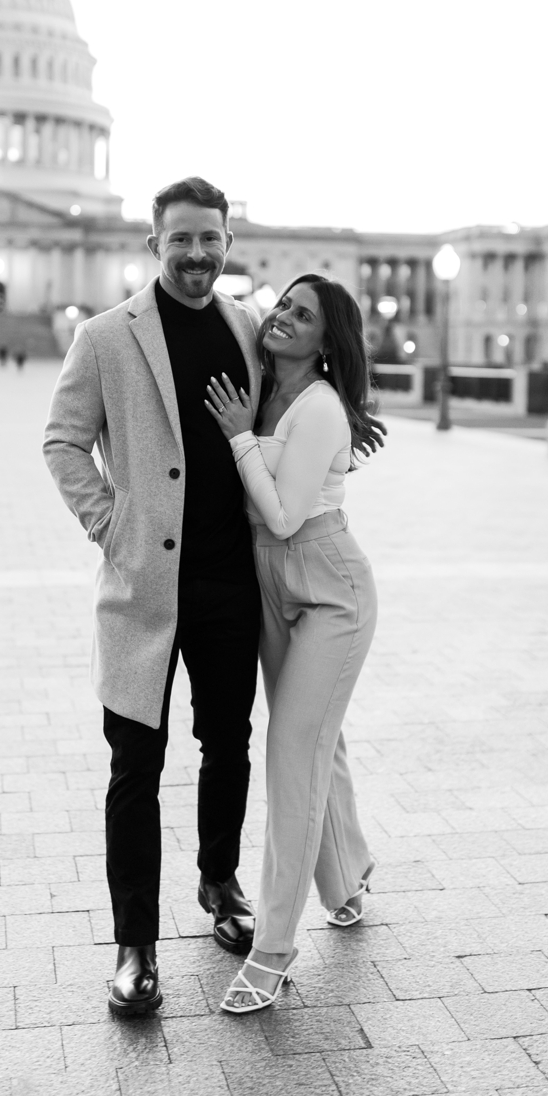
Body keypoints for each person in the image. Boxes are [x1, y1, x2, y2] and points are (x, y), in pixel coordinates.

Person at [42, 176, 265, 1017]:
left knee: (228, 744)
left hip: (228, 581)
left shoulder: (247, 329)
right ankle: (135, 944)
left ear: (226, 242)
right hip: (144, 586)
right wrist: (113, 527)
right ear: (155, 245)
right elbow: (62, 441)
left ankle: (219, 883)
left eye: (211, 239)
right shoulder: (106, 338)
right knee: (135, 767)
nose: (199, 255)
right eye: (183, 240)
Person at [202, 274, 384, 1013]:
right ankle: (345, 881)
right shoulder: (261, 383)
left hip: (329, 588)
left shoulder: (318, 409)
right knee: (320, 743)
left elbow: (281, 517)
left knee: (292, 756)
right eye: (283, 305)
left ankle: (273, 951)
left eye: (303, 316)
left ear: (327, 342)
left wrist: (240, 437)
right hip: (271, 584)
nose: (283, 317)